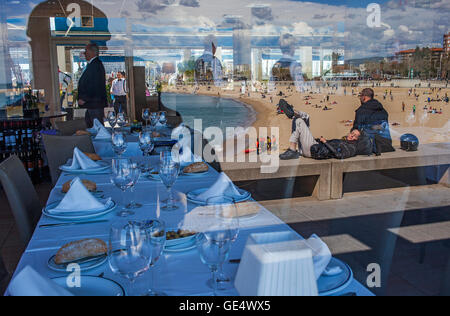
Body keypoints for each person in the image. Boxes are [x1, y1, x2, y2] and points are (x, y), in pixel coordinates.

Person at [279, 117, 361, 160]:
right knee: (303, 118)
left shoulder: (351, 148)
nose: (351, 135)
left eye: (354, 136)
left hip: (313, 150)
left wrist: (325, 142)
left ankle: (292, 150)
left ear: (357, 139)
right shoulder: (345, 142)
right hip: (314, 148)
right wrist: (321, 140)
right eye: (352, 133)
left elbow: (339, 155)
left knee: (299, 121)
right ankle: (293, 112)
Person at [77, 43, 107, 127]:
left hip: (95, 104)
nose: (84, 53)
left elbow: (95, 85)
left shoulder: (96, 65)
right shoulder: (93, 64)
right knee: (91, 127)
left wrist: (85, 98)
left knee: (97, 129)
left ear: (92, 52)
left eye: (86, 51)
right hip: (92, 104)